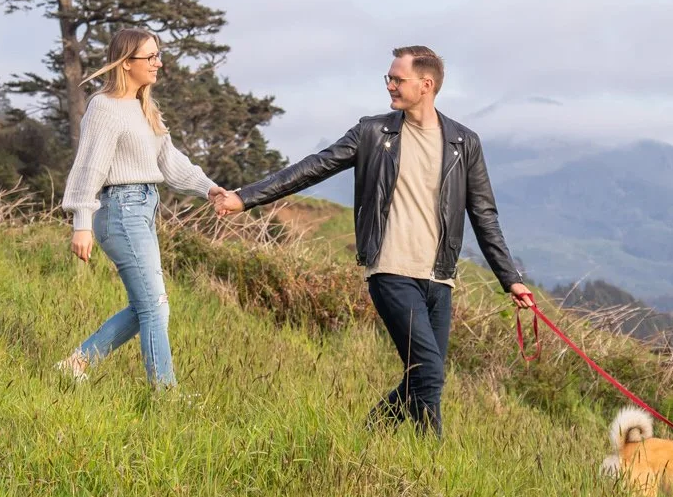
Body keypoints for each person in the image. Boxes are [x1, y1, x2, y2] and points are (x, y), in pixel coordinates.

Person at [210, 46, 532, 435]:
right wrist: (246, 197)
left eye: (398, 79)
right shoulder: (372, 133)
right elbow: (312, 167)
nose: (391, 86)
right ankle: (431, 462)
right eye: (389, 78)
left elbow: (483, 214)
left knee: (421, 378)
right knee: (430, 375)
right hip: (391, 269)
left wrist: (509, 277)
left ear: (426, 85)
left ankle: (369, 436)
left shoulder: (464, 143)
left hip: (439, 277)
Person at [57, 27, 224, 390]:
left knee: (144, 305)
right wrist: (81, 222)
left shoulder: (144, 108)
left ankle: (76, 363)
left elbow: (170, 160)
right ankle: (165, 395)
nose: (158, 63)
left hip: (144, 208)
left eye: (158, 55)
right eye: (150, 57)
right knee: (155, 307)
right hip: (120, 208)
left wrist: (209, 188)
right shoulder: (105, 107)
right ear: (126, 62)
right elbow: (89, 167)